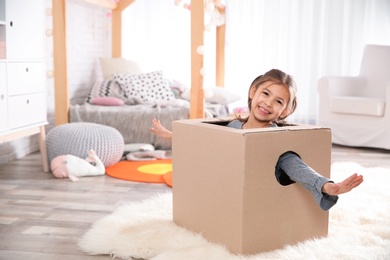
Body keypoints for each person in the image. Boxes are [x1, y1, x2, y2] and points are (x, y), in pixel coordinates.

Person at [150, 69, 364, 211]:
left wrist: (327, 185)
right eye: (265, 94)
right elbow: (203, 139)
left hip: (256, 198)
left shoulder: (276, 139)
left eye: (278, 101)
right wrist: (173, 135)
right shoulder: (232, 126)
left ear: (285, 110)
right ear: (253, 92)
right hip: (224, 192)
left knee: (287, 159)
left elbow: (298, 168)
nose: (268, 103)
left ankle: (324, 187)